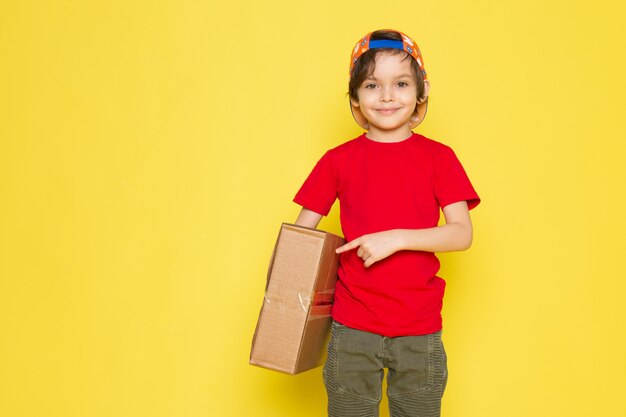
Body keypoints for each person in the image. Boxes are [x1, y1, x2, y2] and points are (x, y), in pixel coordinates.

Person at [293, 29, 480, 417]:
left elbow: (462, 233)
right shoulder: (337, 161)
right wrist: (284, 301)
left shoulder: (439, 158)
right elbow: (299, 239)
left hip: (419, 329)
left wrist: (395, 238)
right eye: (372, 85)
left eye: (401, 83)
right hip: (352, 327)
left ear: (420, 92)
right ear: (356, 98)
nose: (387, 96)